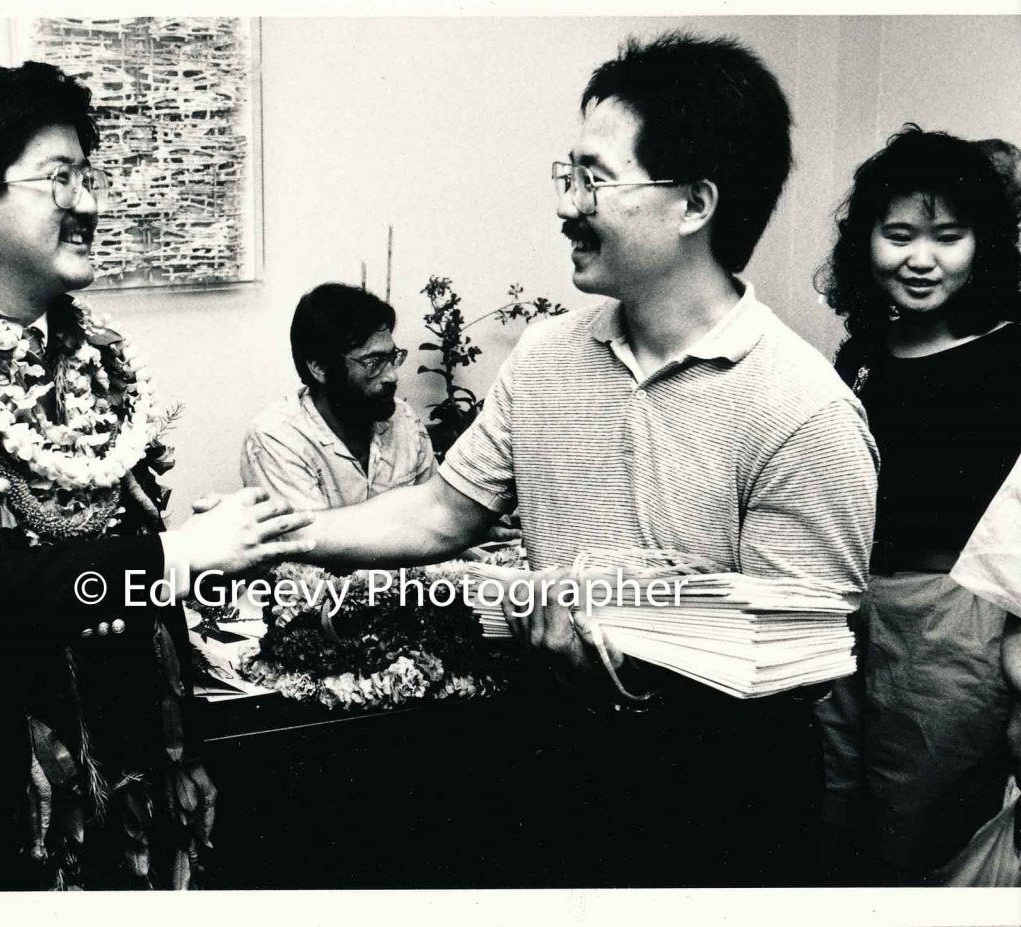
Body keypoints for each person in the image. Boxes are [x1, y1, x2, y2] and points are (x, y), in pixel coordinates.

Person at [291, 32, 878, 887]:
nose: (566, 205)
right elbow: (443, 511)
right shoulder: (546, 356)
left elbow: (781, 670)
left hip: (718, 807)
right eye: (564, 176)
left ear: (694, 203)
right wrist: (283, 532)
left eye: (593, 178)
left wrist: (618, 674)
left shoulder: (804, 411)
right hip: (555, 762)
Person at [0, 61, 312, 892]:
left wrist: (186, 747)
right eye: (59, 178)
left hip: (125, 792)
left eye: (91, 175)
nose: (92, 203)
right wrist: (174, 559)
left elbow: (128, 568)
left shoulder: (100, 367)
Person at [815, 125, 1021, 885]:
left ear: (984, 244)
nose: (920, 258)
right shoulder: (861, 355)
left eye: (948, 236)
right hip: (846, 610)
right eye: (897, 233)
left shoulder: (1010, 354)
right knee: (836, 813)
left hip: (953, 627)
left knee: (918, 833)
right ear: (866, 241)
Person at [240, 283, 436, 510]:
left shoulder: (404, 419)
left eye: (392, 357)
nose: (391, 376)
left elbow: (439, 514)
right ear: (320, 368)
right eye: (373, 362)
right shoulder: (276, 437)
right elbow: (312, 542)